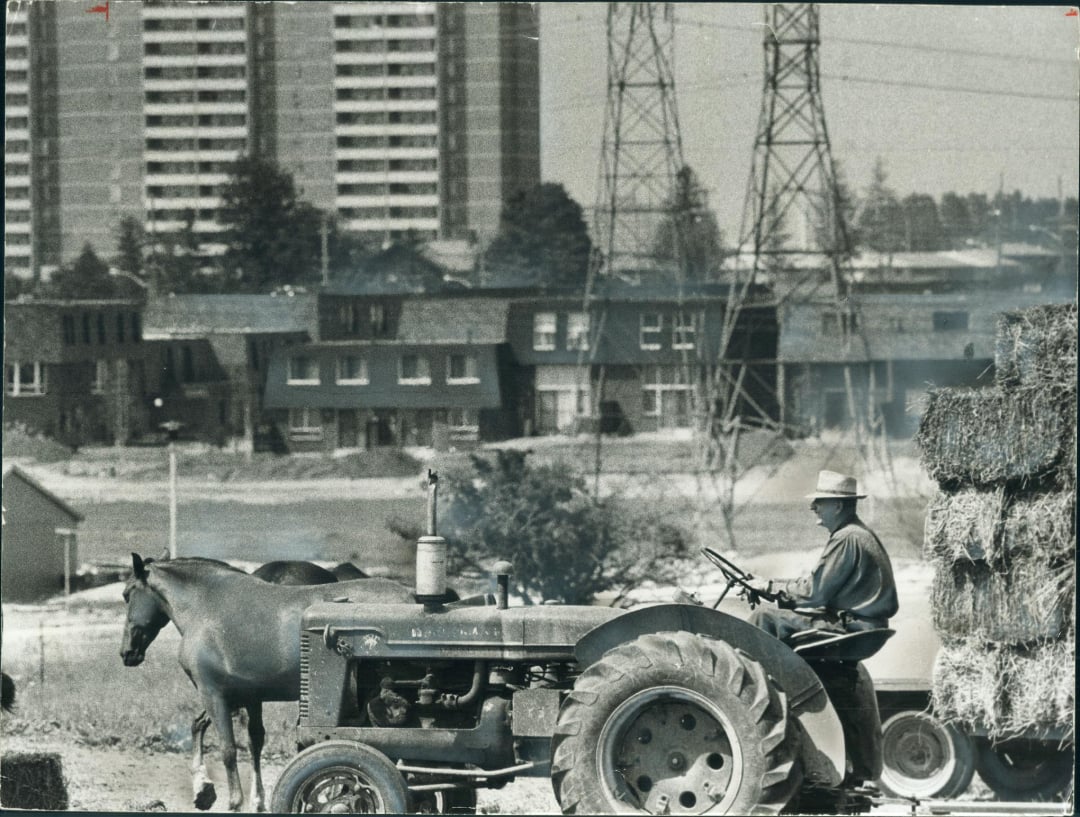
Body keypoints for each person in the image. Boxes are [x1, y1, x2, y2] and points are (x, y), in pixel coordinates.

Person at [745, 470, 898, 643]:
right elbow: (817, 586)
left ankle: (755, 669)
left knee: (764, 616)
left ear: (838, 506)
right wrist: (770, 585)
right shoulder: (857, 533)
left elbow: (814, 593)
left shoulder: (846, 538)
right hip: (865, 625)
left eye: (820, 501)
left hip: (851, 627)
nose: (813, 507)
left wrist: (769, 588)